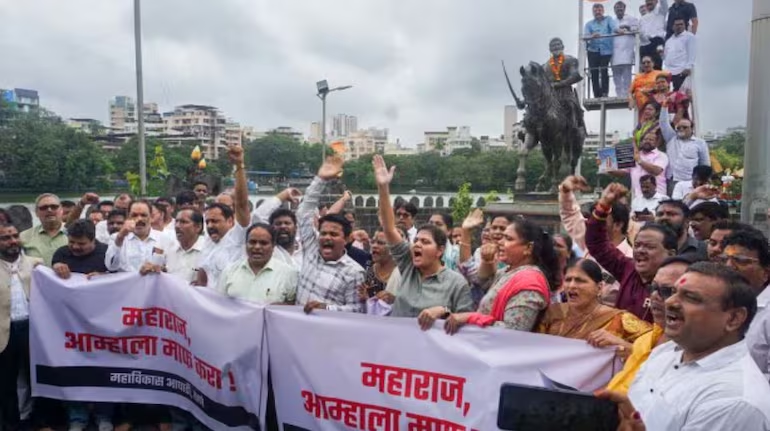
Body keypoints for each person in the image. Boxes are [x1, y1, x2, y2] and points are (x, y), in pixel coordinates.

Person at [601, 263, 770, 430]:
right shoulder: (665, 352)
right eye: (673, 293)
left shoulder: (734, 401)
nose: (670, 302)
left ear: (734, 319)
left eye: (691, 298)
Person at [373, 155, 472, 325]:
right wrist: (383, 188)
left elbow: (468, 320)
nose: (417, 244)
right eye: (416, 240)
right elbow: (389, 228)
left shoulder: (457, 283)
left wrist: (444, 311)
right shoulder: (408, 265)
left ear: (440, 251)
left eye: (425, 242)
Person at [49, 220, 113, 430]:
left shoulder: (107, 253)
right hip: (69, 325)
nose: (75, 247)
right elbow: (50, 284)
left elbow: (122, 280)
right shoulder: (61, 253)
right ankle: (77, 416)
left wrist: (106, 278)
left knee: (104, 371)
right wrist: (54, 268)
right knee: (72, 370)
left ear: (93, 240)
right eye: (72, 242)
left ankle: (104, 416)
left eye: (81, 243)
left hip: (102, 325)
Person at [444, 218, 559, 334]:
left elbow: (513, 331)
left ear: (528, 248)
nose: (500, 242)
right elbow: (478, 280)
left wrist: (470, 318)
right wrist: (486, 261)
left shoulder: (530, 283)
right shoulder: (508, 271)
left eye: (508, 238)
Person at [586, 183, 677, 321]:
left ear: (670, 254)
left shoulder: (677, 288)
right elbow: (597, 243)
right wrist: (604, 205)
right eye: (638, 245)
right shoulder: (628, 269)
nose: (640, 250)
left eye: (649, 247)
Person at [606, 255, 694, 393]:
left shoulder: (693, 353)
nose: (654, 296)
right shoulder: (644, 340)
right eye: (652, 287)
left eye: (666, 291)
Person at [297, 156, 366, 314]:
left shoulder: (354, 272)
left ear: (347, 239)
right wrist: (320, 179)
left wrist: (326, 309)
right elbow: (304, 212)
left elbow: (358, 310)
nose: (327, 237)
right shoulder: (311, 250)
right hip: (297, 331)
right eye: (324, 233)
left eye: (334, 234)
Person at [537, 259, 651, 351]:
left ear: (599, 287)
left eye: (580, 280)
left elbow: (655, 352)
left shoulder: (619, 319)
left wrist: (622, 344)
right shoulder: (551, 313)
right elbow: (534, 347)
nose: (571, 285)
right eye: (568, 280)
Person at [0, 223, 42, 431]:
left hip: (31, 330)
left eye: (15, 236)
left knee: (33, 376)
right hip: (3, 333)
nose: (12, 241)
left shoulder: (36, 264)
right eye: (5, 238)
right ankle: (11, 422)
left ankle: (32, 419)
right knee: (7, 380)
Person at [195, 146, 251, 288]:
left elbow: (242, 203)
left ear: (230, 220)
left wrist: (239, 166)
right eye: (207, 222)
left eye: (215, 221)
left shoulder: (237, 237)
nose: (210, 226)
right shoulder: (208, 242)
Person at [719, 229, 770, 378]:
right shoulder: (717, 301)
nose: (728, 266)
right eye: (724, 259)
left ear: (766, 273)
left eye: (740, 260)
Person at [218, 223, 298, 305]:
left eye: (263, 243)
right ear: (245, 244)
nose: (257, 247)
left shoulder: (288, 274)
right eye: (252, 242)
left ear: (273, 246)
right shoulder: (229, 272)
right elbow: (220, 305)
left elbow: (292, 310)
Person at [251, 187, 304, 269]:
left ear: (296, 228)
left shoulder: (305, 251)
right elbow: (258, 216)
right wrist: (283, 195)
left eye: (287, 223)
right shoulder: (271, 252)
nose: (283, 226)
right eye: (278, 224)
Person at [105, 200, 163, 273]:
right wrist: (120, 237)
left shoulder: (162, 238)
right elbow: (111, 267)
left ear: (151, 217)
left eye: (143, 215)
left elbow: (171, 266)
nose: (139, 219)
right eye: (134, 215)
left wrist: (158, 268)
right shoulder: (116, 237)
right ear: (128, 217)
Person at [660, 107, 710, 191]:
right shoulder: (671, 138)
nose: (681, 129)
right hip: (673, 181)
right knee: (673, 204)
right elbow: (663, 123)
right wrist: (664, 106)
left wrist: (702, 181)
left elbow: (705, 164)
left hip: (690, 181)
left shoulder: (700, 143)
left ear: (691, 129)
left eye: (685, 127)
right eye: (678, 127)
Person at [152, 209, 205, 283]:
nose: (177, 226)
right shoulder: (168, 248)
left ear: (198, 227)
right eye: (176, 221)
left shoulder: (207, 251)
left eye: (183, 222)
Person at [20, 193, 69, 266]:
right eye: (44, 207)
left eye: (54, 206)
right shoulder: (24, 236)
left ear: (61, 210)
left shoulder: (75, 232)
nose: (49, 210)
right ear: (36, 212)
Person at [584, 3, 617, 98]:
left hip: (606, 50)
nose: (597, 12)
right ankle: (597, 94)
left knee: (604, 70)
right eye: (595, 11)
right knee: (594, 72)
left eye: (599, 10)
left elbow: (614, 28)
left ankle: (604, 92)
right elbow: (586, 35)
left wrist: (619, 30)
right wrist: (592, 36)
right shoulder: (589, 24)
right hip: (593, 50)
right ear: (593, 12)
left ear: (603, 11)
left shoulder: (608, 19)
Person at [611, 1, 639, 99]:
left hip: (627, 53)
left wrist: (629, 28)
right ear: (614, 10)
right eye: (617, 8)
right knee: (616, 78)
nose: (619, 10)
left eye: (621, 8)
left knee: (627, 77)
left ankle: (627, 95)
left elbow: (638, 30)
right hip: (614, 54)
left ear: (624, 9)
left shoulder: (631, 19)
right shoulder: (612, 21)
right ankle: (619, 95)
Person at [663, 17, 696, 91]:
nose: (679, 26)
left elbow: (692, 53)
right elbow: (666, 56)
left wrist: (688, 67)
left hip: (682, 72)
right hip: (669, 73)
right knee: (670, 98)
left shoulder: (689, 37)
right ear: (673, 26)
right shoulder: (669, 40)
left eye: (681, 24)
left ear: (685, 25)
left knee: (681, 97)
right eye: (677, 25)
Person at [639, 0, 668, 70]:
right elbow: (640, 33)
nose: (649, 2)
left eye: (651, 0)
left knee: (657, 66)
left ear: (656, 1)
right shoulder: (642, 19)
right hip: (645, 44)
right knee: (645, 69)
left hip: (657, 42)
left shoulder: (661, 12)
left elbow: (664, 3)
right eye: (647, 1)